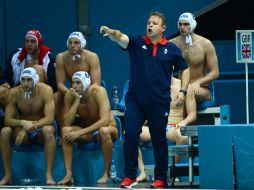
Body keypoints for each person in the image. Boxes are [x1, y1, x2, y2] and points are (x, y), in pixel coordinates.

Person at [100, 11, 190, 189]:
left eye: (154, 23)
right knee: (130, 135)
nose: (150, 25)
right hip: (136, 101)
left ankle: (160, 178)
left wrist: (183, 91)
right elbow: (121, 37)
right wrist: (112, 33)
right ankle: (129, 176)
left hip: (159, 102)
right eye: (149, 22)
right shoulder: (137, 43)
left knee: (159, 140)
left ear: (163, 28)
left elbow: (184, 70)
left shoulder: (172, 49)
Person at [58, 71, 118, 185]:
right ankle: (68, 174)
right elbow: (66, 122)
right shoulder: (70, 95)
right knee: (65, 131)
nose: (74, 86)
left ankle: (107, 173)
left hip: (109, 129)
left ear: (86, 83)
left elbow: (105, 121)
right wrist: (76, 101)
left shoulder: (99, 92)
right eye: (72, 82)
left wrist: (80, 132)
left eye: (78, 83)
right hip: (90, 133)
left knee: (104, 131)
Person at [0, 67, 56, 185]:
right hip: (22, 130)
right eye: (23, 80)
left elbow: (49, 118)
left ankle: (48, 175)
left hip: (40, 130)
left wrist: (30, 127)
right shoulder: (15, 92)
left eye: (29, 80)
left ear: (35, 80)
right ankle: (7, 175)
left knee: (48, 130)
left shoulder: (46, 90)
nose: (25, 83)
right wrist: (22, 123)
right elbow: (7, 120)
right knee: (5, 132)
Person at [137, 77, 196, 182]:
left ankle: (171, 170)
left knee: (183, 137)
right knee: (130, 134)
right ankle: (142, 173)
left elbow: (192, 114)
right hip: (155, 127)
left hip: (173, 127)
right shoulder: (151, 86)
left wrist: (183, 123)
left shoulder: (185, 86)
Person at [0, 29, 56, 109]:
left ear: (39, 43)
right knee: (1, 91)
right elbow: (7, 75)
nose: (29, 44)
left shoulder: (49, 59)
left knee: (38, 69)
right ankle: (16, 116)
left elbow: (53, 85)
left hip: (39, 95)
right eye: (27, 41)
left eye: (33, 42)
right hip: (18, 92)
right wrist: (6, 83)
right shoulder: (15, 55)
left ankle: (37, 114)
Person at [170, 12, 219, 103]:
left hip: (200, 88)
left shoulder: (205, 44)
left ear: (193, 25)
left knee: (188, 92)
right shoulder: (172, 44)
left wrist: (198, 82)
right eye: (180, 24)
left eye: (186, 24)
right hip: (180, 88)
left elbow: (215, 73)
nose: (182, 27)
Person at [55, 31, 101, 96]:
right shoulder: (61, 58)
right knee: (56, 97)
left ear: (82, 44)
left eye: (76, 43)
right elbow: (60, 84)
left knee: (100, 91)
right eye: (70, 42)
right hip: (73, 93)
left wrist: (84, 97)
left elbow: (96, 84)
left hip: (89, 93)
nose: (72, 45)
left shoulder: (92, 57)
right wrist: (71, 94)